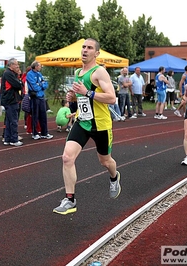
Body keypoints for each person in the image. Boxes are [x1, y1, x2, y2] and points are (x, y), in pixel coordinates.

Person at [53, 38, 121, 215]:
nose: (85, 50)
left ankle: (114, 177)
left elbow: (112, 98)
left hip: (100, 125)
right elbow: (83, 98)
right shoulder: (77, 72)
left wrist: (87, 92)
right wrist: (75, 98)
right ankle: (70, 200)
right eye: (83, 47)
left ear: (96, 53)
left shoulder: (99, 73)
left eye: (89, 48)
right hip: (82, 121)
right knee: (67, 157)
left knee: (105, 161)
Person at [26, 61, 53, 140]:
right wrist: (40, 85)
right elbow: (34, 86)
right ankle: (35, 133)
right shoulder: (29, 74)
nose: (41, 67)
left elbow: (45, 84)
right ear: (36, 66)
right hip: (35, 97)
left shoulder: (39, 74)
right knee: (35, 115)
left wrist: (40, 84)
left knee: (43, 115)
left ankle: (44, 133)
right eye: (39, 66)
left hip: (41, 97)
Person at [0, 58, 23, 146]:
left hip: (11, 99)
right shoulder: (8, 73)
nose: (18, 66)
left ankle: (7, 138)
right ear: (11, 65)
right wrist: (19, 80)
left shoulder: (11, 74)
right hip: (10, 100)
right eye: (16, 64)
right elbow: (17, 85)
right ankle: (13, 139)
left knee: (9, 120)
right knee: (13, 120)